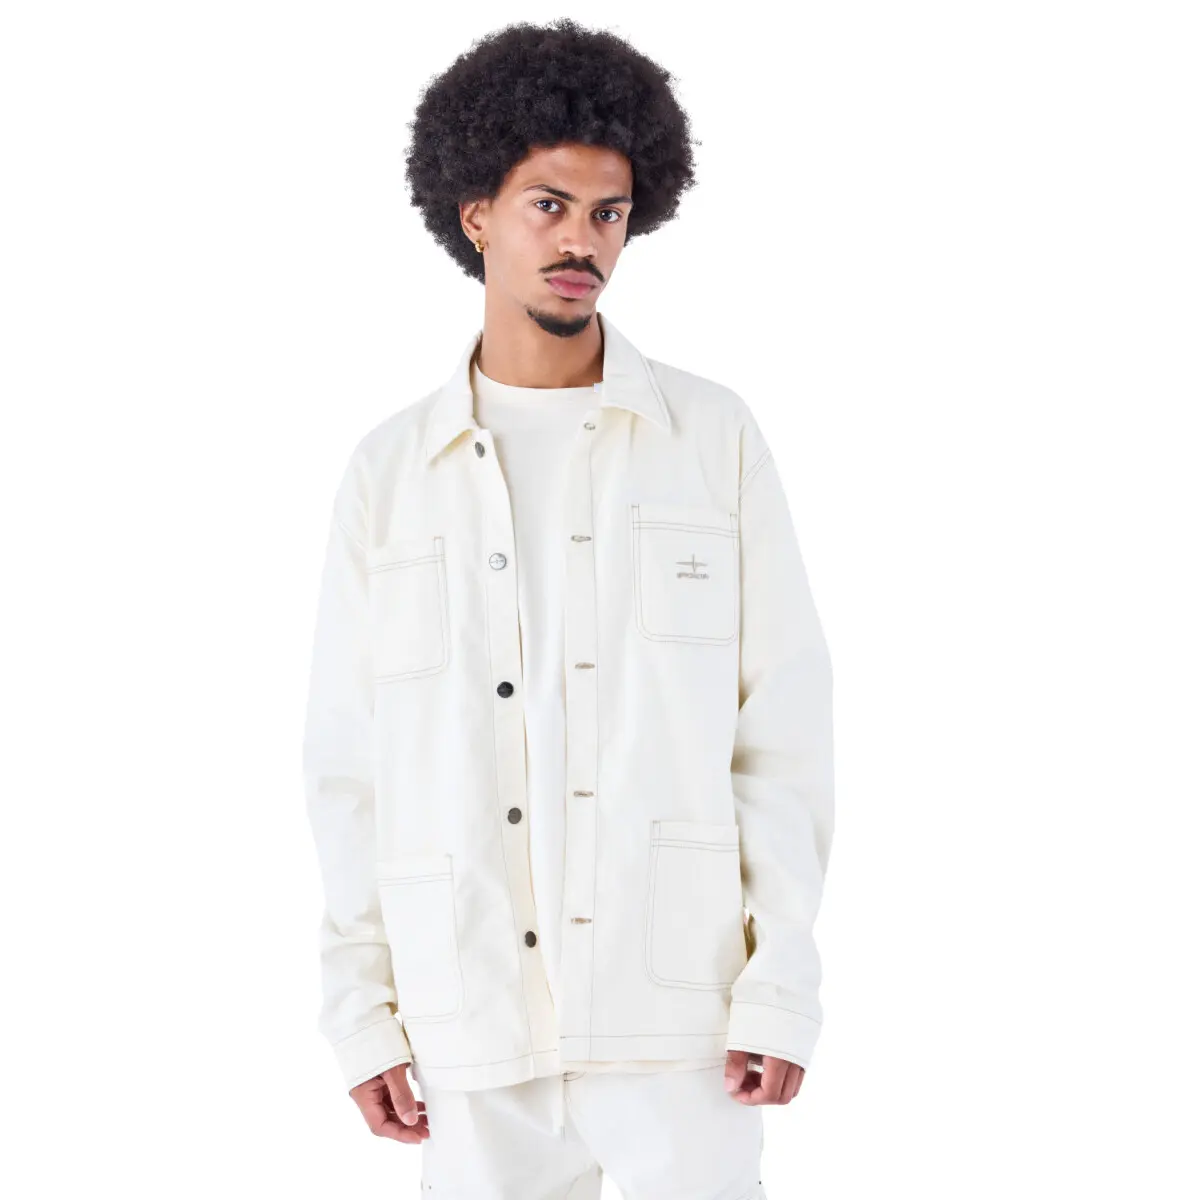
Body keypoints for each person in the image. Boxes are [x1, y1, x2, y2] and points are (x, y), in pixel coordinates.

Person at [301, 18, 834, 1199]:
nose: (582, 240)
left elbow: (784, 729)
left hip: (680, 1017)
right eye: (548, 205)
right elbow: (350, 762)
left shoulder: (710, 439)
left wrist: (781, 980)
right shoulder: (392, 473)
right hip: (468, 1012)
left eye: (609, 213)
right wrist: (361, 1008)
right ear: (475, 214)